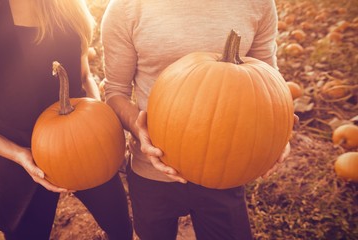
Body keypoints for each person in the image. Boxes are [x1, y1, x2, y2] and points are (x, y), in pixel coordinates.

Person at [0, 0, 133, 239]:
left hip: (81, 140)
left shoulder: (67, 4)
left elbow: (82, 75)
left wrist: (99, 122)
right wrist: (16, 153)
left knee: (120, 226)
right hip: (9, 155)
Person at [101, 0, 296, 239]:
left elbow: (268, 80)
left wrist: (278, 130)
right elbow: (115, 92)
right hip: (152, 166)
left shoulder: (258, 4)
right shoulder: (126, 7)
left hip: (228, 166)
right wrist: (139, 129)